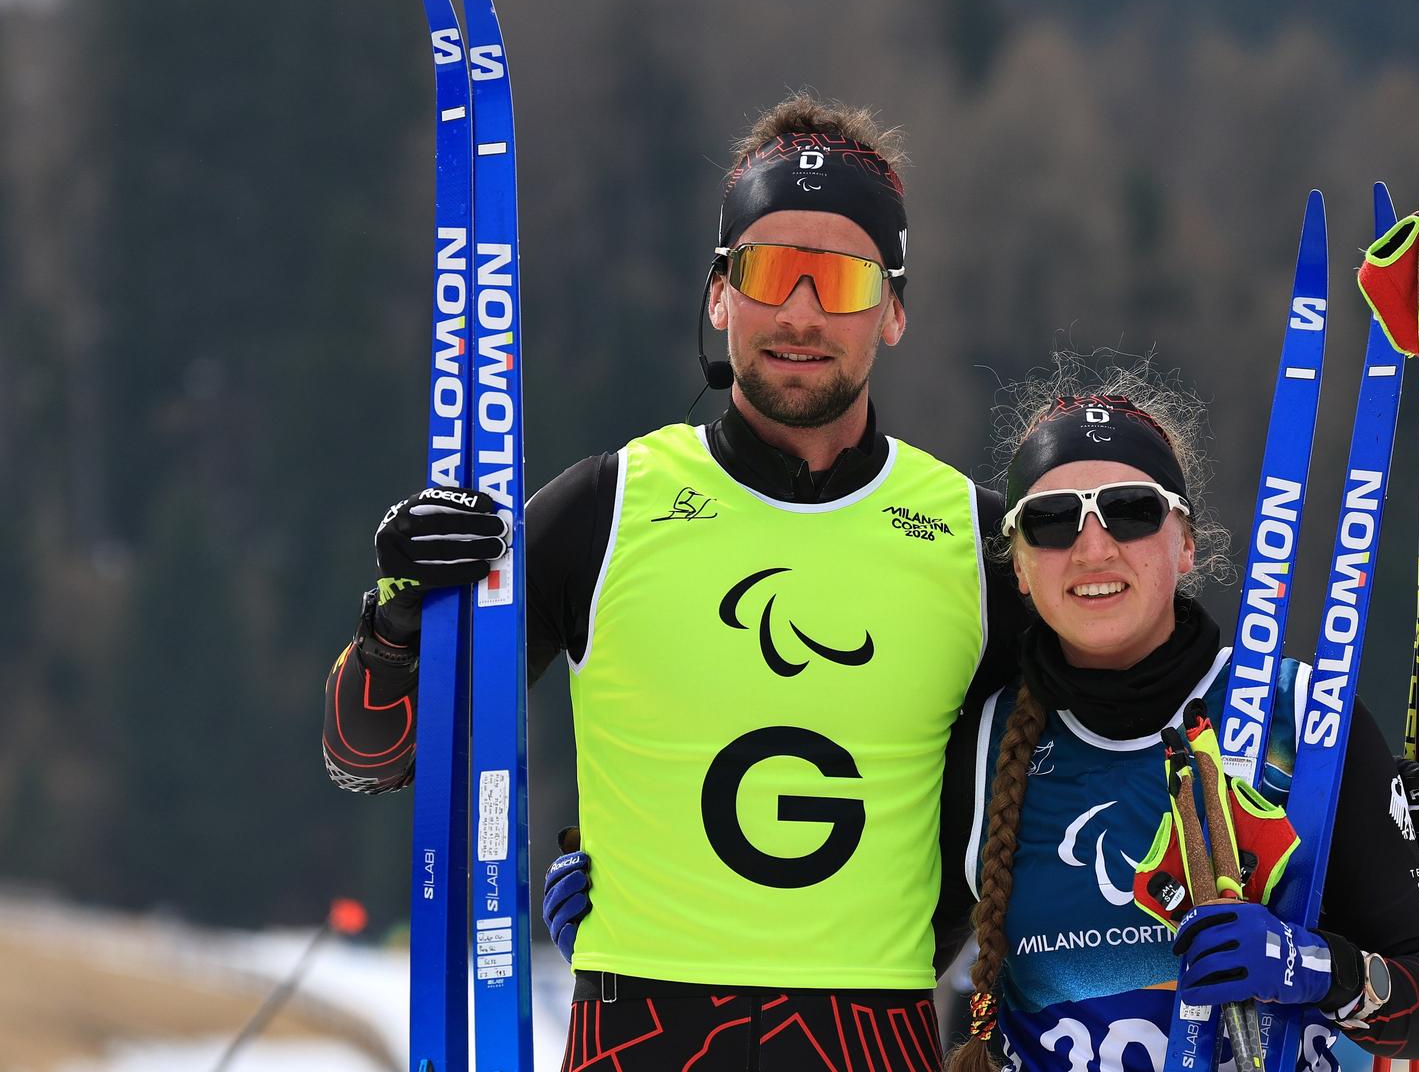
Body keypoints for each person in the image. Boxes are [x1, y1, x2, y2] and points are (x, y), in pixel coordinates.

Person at [322, 94, 1028, 1071]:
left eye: (843, 280)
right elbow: (374, 756)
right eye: (770, 272)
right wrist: (400, 619)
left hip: (874, 1037)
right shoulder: (607, 510)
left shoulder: (977, 542)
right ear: (718, 294)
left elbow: (1094, 762)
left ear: (896, 309)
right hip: (644, 1034)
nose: (800, 312)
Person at [943, 364, 1419, 1070]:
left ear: (1185, 542)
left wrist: (1307, 966)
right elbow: (900, 976)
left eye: (1130, 510)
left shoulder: (1300, 722)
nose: (1093, 547)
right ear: (1021, 566)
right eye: (1053, 520)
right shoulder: (979, 742)